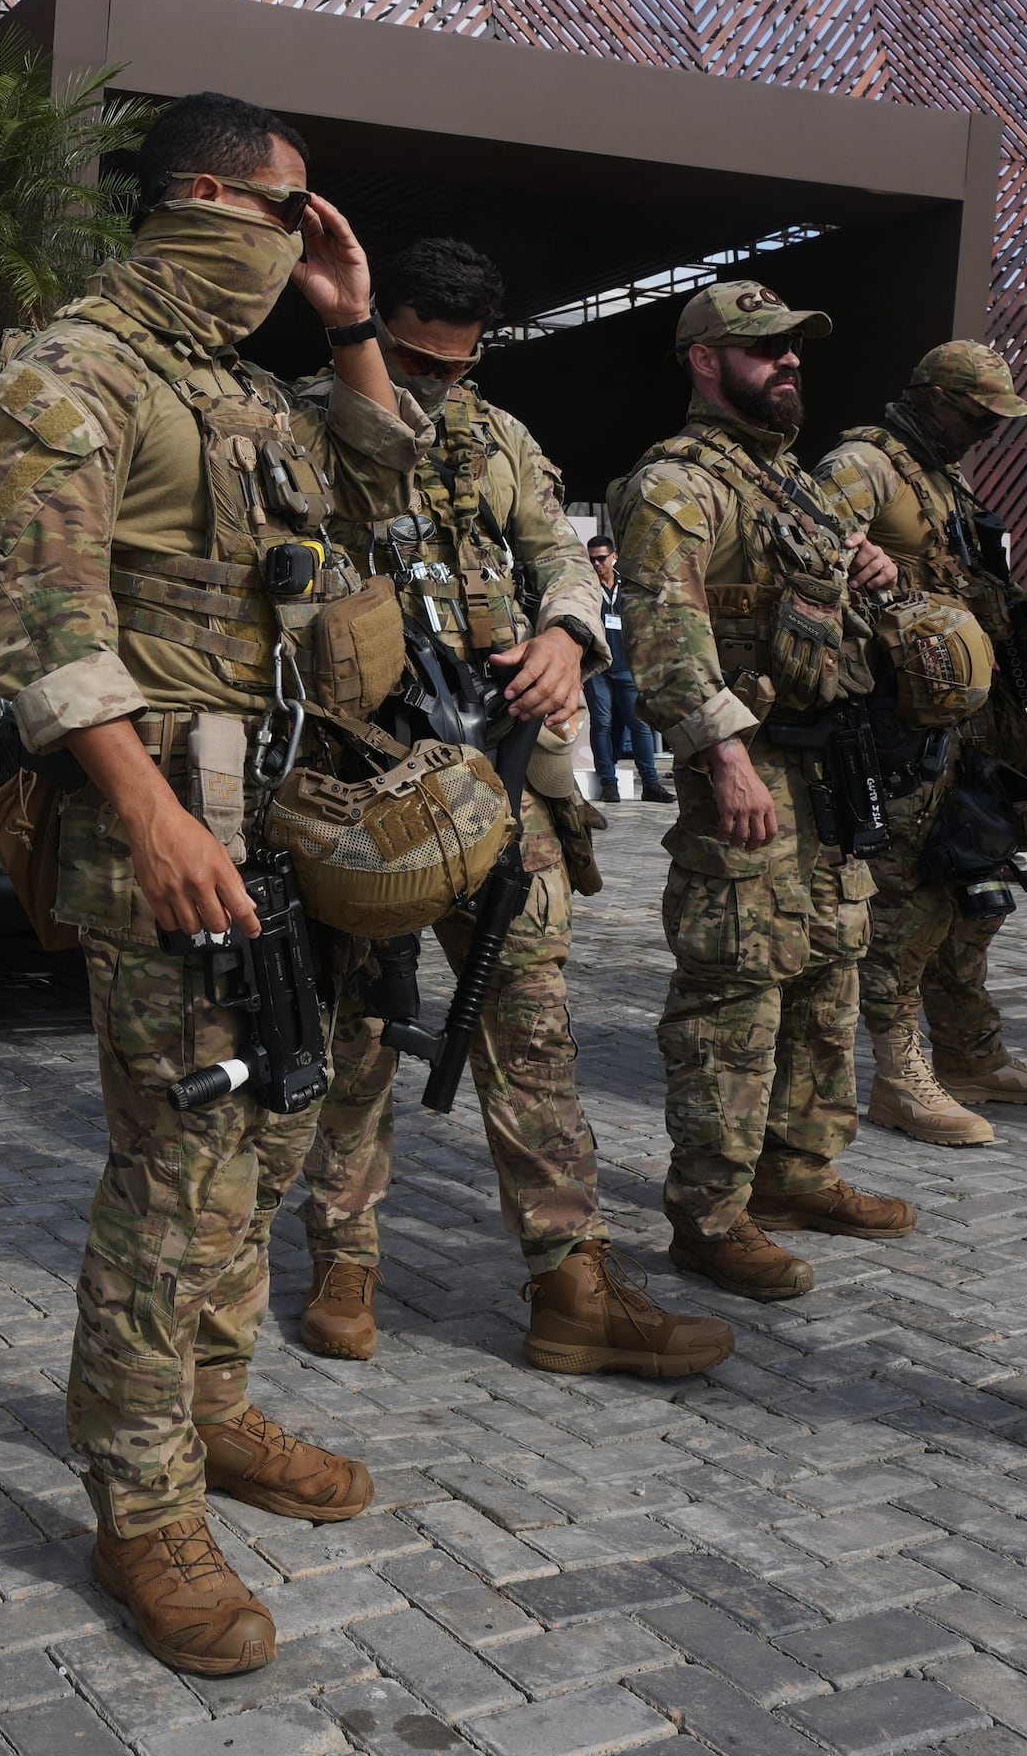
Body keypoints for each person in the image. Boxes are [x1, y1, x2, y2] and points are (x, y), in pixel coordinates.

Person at [0, 92, 420, 1677]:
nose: (307, 240)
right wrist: (153, 820)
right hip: (167, 838)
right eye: (296, 212)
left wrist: (353, 327)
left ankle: (213, 1407)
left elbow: (383, 502)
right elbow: (40, 622)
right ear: (215, 201)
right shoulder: (74, 368)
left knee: (272, 1134)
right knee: (175, 1175)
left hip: (281, 822)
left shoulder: (243, 387)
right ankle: (142, 1501)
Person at [279, 236, 728, 1380]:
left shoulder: (500, 439)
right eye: (417, 364)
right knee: (363, 1027)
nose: (437, 392)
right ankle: (345, 1258)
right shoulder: (293, 422)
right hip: (358, 774)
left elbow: (564, 555)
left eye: (458, 370)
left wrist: (569, 637)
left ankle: (570, 1284)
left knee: (529, 1026)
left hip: (497, 768)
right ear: (379, 328)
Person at [608, 280, 915, 1302]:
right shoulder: (675, 484)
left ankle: (796, 1169)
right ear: (706, 361)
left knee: (829, 974)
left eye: (794, 345)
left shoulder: (793, 485)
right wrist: (724, 759)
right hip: (753, 772)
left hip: (828, 773)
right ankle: (710, 1214)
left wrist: (867, 569)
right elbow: (666, 628)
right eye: (763, 347)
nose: (788, 360)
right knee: (734, 992)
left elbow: (822, 606)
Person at [812, 341, 1027, 1149]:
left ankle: (971, 1051)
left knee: (977, 887)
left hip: (969, 715)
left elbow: (957, 588)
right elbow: (805, 561)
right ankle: (900, 1073)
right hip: (899, 726)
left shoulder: (944, 474)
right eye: (978, 415)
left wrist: (1026, 610)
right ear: (933, 396)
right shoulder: (862, 464)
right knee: (907, 897)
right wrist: (859, 566)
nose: (988, 432)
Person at [586, 538, 667, 800]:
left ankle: (650, 783)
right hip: (597, 667)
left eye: (601, 558)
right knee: (602, 723)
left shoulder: (629, 586)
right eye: (592, 559)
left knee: (639, 724)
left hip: (628, 667)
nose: (597, 564)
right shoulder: (586, 587)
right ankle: (608, 782)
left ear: (614, 557)